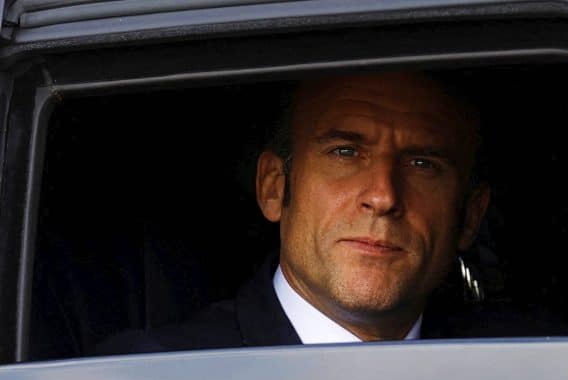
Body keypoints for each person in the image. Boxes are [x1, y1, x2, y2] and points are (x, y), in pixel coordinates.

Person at [95, 71, 490, 354]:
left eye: (422, 165)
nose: (383, 196)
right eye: (345, 152)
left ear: (470, 217)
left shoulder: (513, 369)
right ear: (274, 187)